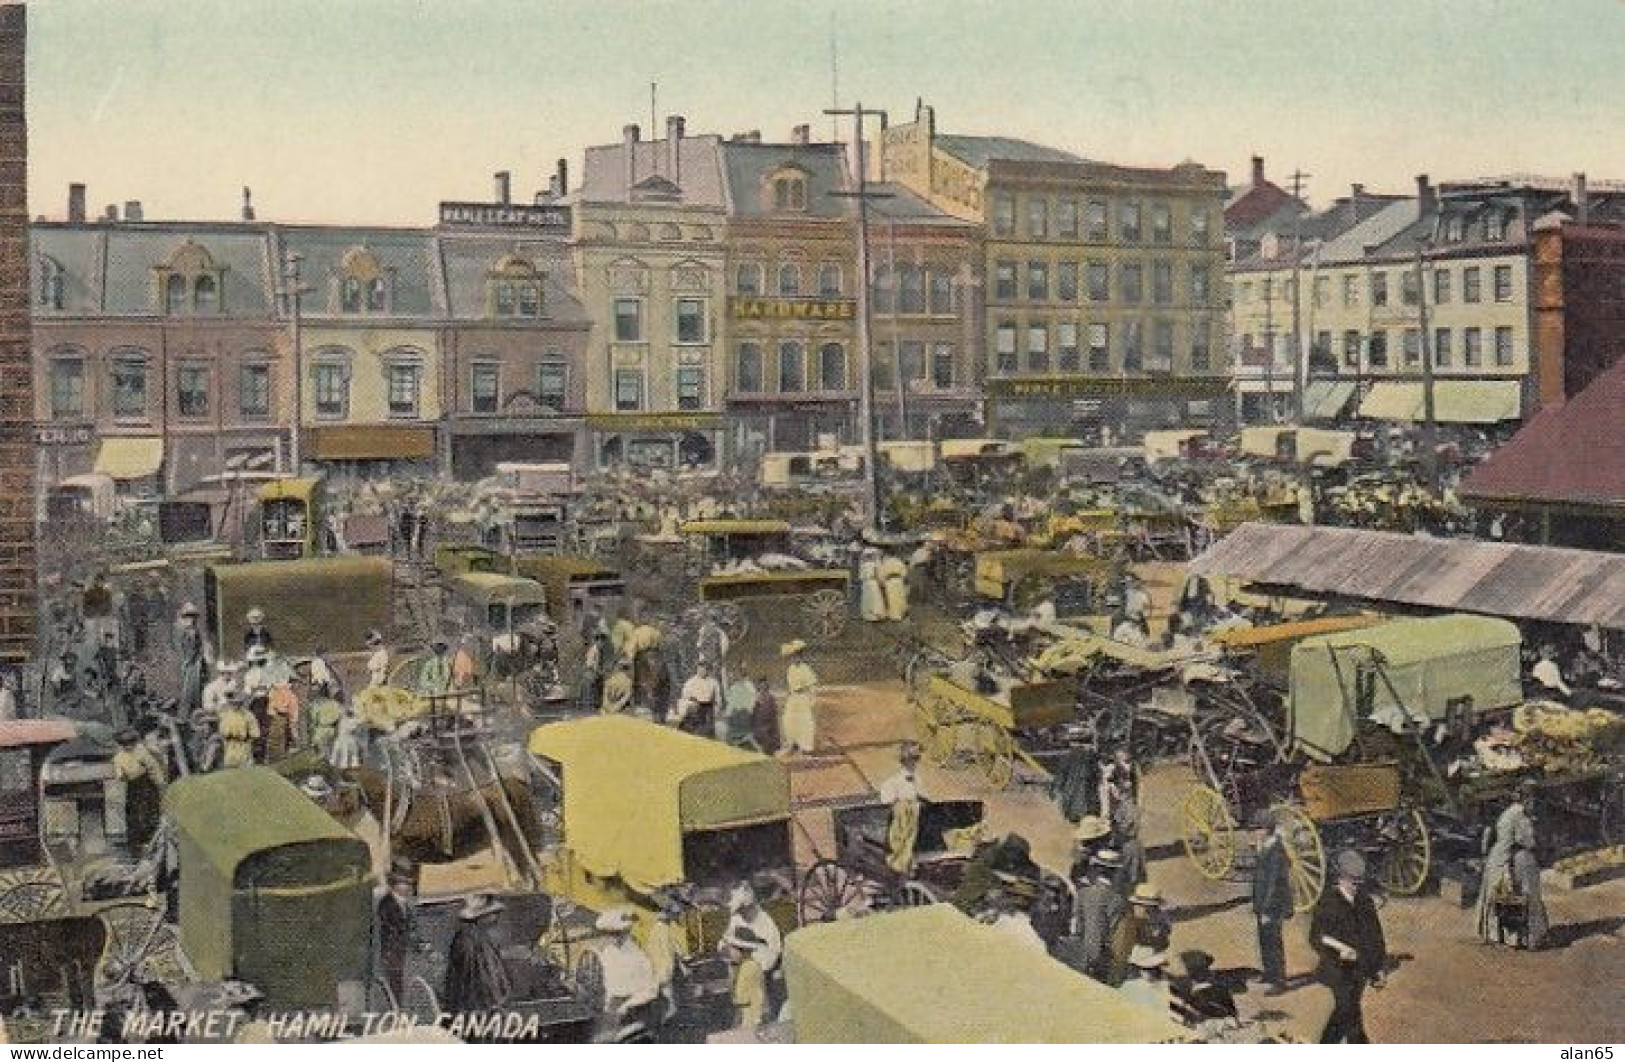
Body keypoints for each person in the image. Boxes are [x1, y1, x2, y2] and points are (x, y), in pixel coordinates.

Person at [1310, 850, 1386, 1044]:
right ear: (1341, 878)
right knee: (1347, 1009)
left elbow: (1375, 937)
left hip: (1360, 969)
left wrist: (1379, 968)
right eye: (1353, 883)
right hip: (1337, 968)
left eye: (1360, 883)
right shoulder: (1328, 901)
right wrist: (1339, 948)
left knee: (1350, 1013)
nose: (1356, 887)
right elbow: (1316, 937)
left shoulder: (1364, 901)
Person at [1476, 786, 1547, 948]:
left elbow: (1490, 835)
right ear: (1527, 800)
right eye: (1532, 802)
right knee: (1514, 895)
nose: (1533, 806)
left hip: (1497, 856)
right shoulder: (1520, 815)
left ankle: (1496, 935)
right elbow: (1527, 840)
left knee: (1495, 895)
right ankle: (1527, 937)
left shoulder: (1508, 812)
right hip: (1504, 858)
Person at [594, 907, 660, 1037]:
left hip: (634, 1008)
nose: (612, 938)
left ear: (626, 932)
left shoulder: (638, 956)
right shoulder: (608, 953)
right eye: (607, 934)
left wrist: (628, 1005)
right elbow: (608, 983)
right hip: (613, 1007)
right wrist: (608, 1004)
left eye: (616, 933)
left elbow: (651, 990)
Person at [722, 881, 783, 1018]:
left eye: (732, 900)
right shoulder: (737, 918)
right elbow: (724, 941)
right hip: (741, 978)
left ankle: (759, 1014)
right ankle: (741, 1007)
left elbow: (770, 958)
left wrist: (746, 955)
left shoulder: (765, 924)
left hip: (757, 976)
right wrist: (728, 949)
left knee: (750, 970)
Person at [443, 894, 511, 1015]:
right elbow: (477, 976)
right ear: (481, 916)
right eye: (493, 913)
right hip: (474, 1007)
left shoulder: (478, 935)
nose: (496, 918)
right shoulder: (468, 938)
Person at [1253, 809, 1294, 993]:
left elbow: (1275, 883)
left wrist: (1267, 908)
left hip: (1272, 903)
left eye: (1258, 828)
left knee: (1273, 941)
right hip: (1262, 902)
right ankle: (1269, 972)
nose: (1255, 832)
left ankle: (1279, 981)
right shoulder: (1265, 845)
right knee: (1264, 939)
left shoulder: (1276, 851)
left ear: (1267, 829)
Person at [113, 728, 166, 851]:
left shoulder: (141, 753)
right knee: (134, 813)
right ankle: (137, 842)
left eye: (130, 744)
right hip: (133, 786)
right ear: (121, 745)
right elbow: (119, 774)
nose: (128, 747)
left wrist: (160, 783)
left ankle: (152, 838)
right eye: (125, 744)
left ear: (134, 742)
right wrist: (122, 776)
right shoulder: (118, 757)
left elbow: (153, 768)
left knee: (150, 810)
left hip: (146, 784)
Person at [376, 864, 420, 1006]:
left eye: (409, 883)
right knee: (394, 982)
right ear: (394, 885)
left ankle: (399, 1007)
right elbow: (394, 929)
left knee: (399, 982)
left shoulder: (403, 903)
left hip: (399, 951)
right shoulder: (387, 904)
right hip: (391, 952)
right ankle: (396, 1009)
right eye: (404, 883)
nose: (407, 887)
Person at [878, 741, 923, 875]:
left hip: (915, 815)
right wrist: (904, 806)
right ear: (903, 762)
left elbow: (917, 795)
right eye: (911, 760)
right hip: (900, 819)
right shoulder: (893, 782)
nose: (914, 763)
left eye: (916, 759)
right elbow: (888, 802)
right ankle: (902, 860)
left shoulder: (917, 779)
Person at [721, 932, 767, 1031]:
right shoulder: (740, 966)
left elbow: (757, 995)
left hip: (749, 1015)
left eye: (732, 949)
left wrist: (757, 1020)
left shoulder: (750, 966)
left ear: (741, 950)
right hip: (742, 1012)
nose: (729, 952)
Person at [781, 640, 819, 756]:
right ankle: (792, 744)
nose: (794, 659)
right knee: (789, 720)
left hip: (803, 698)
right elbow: (789, 686)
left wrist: (812, 699)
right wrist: (788, 698)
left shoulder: (805, 668)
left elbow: (812, 685)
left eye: (797, 656)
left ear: (800, 656)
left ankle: (806, 748)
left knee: (804, 721)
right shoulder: (790, 669)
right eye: (792, 657)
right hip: (793, 698)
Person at [1117, 946, 1175, 1017]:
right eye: (1151, 969)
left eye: (1158, 969)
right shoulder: (1129, 987)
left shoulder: (1161, 986)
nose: (1156, 972)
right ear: (1140, 969)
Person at [174, 603, 207, 719]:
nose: (190, 619)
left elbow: (198, 647)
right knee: (186, 689)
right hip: (188, 663)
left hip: (196, 663)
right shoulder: (182, 631)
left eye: (192, 616)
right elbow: (180, 647)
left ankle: (196, 712)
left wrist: (195, 658)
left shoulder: (195, 631)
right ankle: (185, 714)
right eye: (188, 616)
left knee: (196, 688)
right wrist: (185, 659)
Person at [672, 660, 721, 736]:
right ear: (697, 669)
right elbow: (684, 698)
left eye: (705, 669)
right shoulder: (690, 682)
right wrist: (690, 704)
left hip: (708, 710)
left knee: (707, 733)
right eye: (700, 669)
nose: (702, 671)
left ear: (708, 670)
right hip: (694, 709)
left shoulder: (714, 682)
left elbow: (718, 699)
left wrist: (715, 710)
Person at [216, 689, 260, 769]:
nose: (235, 705)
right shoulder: (225, 714)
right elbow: (222, 730)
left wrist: (248, 743)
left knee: (244, 770)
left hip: (243, 746)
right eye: (232, 703)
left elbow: (255, 733)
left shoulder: (248, 715)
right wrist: (226, 737)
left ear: (241, 703)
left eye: (237, 703)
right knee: (230, 769)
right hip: (229, 747)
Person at [750, 676, 781, 755]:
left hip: (770, 729)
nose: (763, 689)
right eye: (761, 687)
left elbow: (774, 716)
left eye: (764, 687)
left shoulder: (771, 699)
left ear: (767, 688)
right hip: (759, 729)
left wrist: (770, 728)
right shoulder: (756, 700)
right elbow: (753, 716)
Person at [880, 551, 910, 621]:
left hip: (890, 581)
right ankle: (900, 613)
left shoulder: (885, 563)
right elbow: (904, 573)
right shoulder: (899, 562)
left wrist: (883, 582)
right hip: (898, 580)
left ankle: (894, 614)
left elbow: (882, 573)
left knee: (891, 598)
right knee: (899, 597)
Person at [858, 548, 886, 622]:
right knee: (875, 598)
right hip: (872, 582)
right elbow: (877, 574)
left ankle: (867, 615)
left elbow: (861, 576)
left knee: (867, 599)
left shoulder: (863, 565)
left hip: (865, 583)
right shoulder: (874, 564)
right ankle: (876, 615)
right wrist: (881, 582)